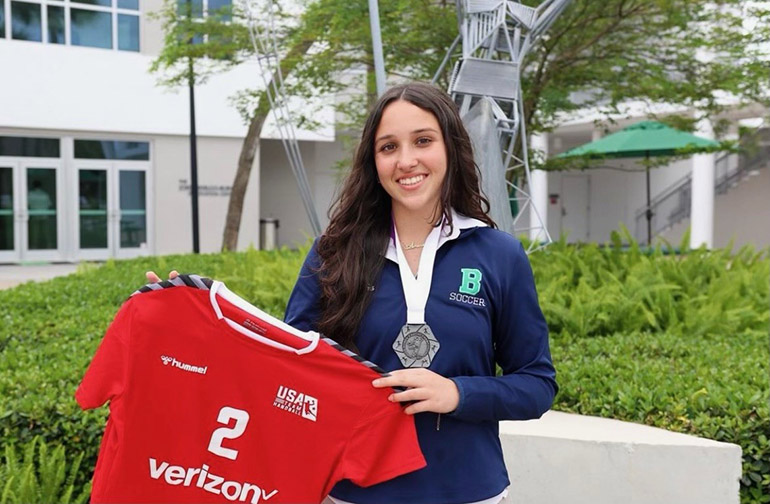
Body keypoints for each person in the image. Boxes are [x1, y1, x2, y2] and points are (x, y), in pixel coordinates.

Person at [148, 81, 557, 504]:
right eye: (388, 147)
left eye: (423, 141)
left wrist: (458, 393)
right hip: (353, 492)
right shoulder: (335, 251)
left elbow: (536, 384)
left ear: (450, 148)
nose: (406, 160)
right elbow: (286, 367)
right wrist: (187, 320)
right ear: (372, 161)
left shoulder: (498, 254)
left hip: (469, 490)